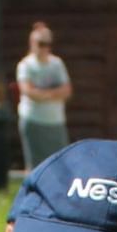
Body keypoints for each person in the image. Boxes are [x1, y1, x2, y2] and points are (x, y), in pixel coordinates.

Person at [14, 22, 73, 172]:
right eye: (41, 44)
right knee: (35, 167)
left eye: (48, 44)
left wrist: (42, 94)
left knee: (62, 164)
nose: (45, 48)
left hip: (56, 122)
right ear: (32, 43)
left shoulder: (57, 64)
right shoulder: (25, 65)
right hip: (33, 120)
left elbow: (67, 91)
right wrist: (54, 94)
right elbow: (28, 91)